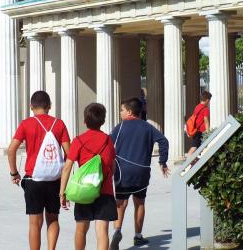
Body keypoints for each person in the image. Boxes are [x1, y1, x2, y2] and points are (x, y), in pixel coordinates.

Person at [7, 91, 70, 250]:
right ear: (49, 106)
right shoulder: (59, 124)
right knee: (53, 220)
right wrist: (65, 184)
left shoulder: (26, 124)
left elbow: (11, 149)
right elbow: (69, 154)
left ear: (31, 106)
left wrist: (14, 173)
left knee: (35, 224)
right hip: (55, 181)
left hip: (33, 180)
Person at [109, 98, 169, 249]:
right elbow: (163, 141)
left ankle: (117, 230)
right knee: (140, 202)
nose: (121, 113)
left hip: (123, 171)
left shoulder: (120, 127)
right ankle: (138, 236)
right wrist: (163, 161)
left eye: (122, 110)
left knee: (121, 203)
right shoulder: (148, 127)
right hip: (141, 171)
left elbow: (108, 144)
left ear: (129, 112)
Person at [60, 103, 117, 250]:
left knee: (81, 229)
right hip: (104, 191)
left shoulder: (79, 140)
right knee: (102, 231)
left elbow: (67, 167)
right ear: (103, 121)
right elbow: (113, 165)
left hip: (84, 190)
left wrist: (62, 192)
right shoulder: (108, 140)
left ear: (85, 121)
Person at [187, 91, 212, 156]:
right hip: (201, 132)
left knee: (198, 148)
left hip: (196, 130)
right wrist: (208, 132)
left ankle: (193, 162)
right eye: (209, 101)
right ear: (207, 100)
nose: (209, 102)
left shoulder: (197, 107)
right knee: (194, 147)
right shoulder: (205, 109)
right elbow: (206, 121)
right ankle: (187, 162)